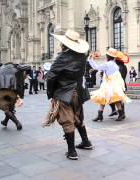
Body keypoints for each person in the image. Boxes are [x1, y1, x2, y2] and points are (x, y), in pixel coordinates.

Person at [44, 29, 93, 160]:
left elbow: (51, 77)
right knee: (78, 118)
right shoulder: (82, 56)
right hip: (78, 91)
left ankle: (71, 151)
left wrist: (52, 93)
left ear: (64, 44)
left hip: (65, 93)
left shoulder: (62, 57)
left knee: (67, 121)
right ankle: (86, 142)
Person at [89, 48, 130, 122]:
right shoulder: (114, 65)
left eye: (106, 55)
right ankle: (119, 114)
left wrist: (90, 59)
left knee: (104, 99)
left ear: (107, 57)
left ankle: (100, 115)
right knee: (114, 99)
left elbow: (96, 67)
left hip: (108, 85)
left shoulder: (107, 64)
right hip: (112, 84)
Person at [0, 63, 30, 130]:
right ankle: (5, 121)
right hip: (12, 90)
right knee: (10, 108)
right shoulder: (10, 68)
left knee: (6, 109)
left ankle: (17, 123)